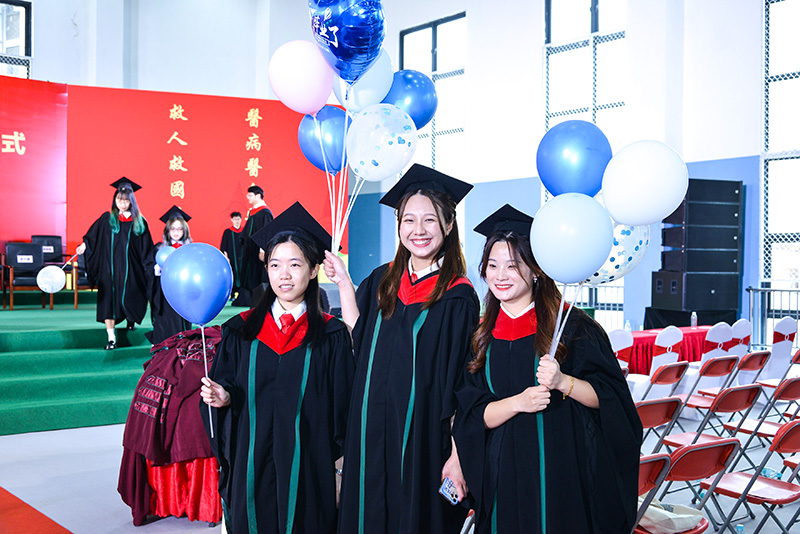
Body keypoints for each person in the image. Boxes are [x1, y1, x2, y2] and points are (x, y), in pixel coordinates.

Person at [454, 204, 642, 534]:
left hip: (562, 472)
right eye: (492, 265)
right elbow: (472, 414)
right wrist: (519, 403)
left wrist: (563, 381)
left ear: (536, 270)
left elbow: (612, 399)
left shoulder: (573, 327)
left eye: (513, 266)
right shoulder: (481, 336)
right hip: (502, 475)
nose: (500, 275)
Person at [323, 164, 480, 534]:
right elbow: (360, 339)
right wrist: (344, 284)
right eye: (408, 220)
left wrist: (457, 456)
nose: (418, 230)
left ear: (448, 225)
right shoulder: (382, 279)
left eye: (429, 220)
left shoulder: (458, 297)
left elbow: (463, 383)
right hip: (370, 432)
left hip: (424, 440)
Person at [200, 202, 355, 534]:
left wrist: (340, 471)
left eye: (295, 264)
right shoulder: (240, 332)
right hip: (251, 467)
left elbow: (344, 411)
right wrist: (224, 397)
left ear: (313, 270)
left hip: (310, 471)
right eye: (275, 264)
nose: (284, 275)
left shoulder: (331, 335)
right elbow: (228, 389)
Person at [76, 178, 154, 349]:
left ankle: (131, 318)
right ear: (115, 200)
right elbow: (92, 237)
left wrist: (149, 268)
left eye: (126, 200)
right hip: (109, 270)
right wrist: (84, 245)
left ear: (131, 201)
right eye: (119, 199)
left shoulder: (139, 222)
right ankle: (111, 338)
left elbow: (146, 249)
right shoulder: (107, 219)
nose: (122, 203)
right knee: (108, 302)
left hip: (130, 270)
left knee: (131, 296)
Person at [146, 205, 193, 345]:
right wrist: (156, 269)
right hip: (163, 294)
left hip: (183, 293)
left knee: (182, 321)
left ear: (185, 230)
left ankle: (182, 347)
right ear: (167, 230)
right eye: (173, 229)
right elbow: (148, 269)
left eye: (179, 229)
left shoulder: (189, 249)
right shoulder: (159, 249)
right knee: (164, 321)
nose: (176, 232)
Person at [235, 185, 274, 306]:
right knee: (249, 275)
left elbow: (267, 232)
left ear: (258, 195)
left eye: (250, 195)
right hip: (249, 251)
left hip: (258, 252)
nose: (248, 198)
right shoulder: (253, 212)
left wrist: (263, 250)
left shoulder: (265, 213)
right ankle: (250, 300)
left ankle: (258, 302)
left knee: (257, 276)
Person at [220, 211, 244, 299]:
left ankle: (242, 294)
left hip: (242, 257)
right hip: (232, 257)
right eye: (235, 219)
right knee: (232, 273)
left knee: (242, 273)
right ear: (231, 220)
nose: (237, 221)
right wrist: (226, 257)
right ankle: (232, 293)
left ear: (241, 219)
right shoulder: (228, 232)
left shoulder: (244, 231)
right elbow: (224, 246)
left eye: (238, 219)